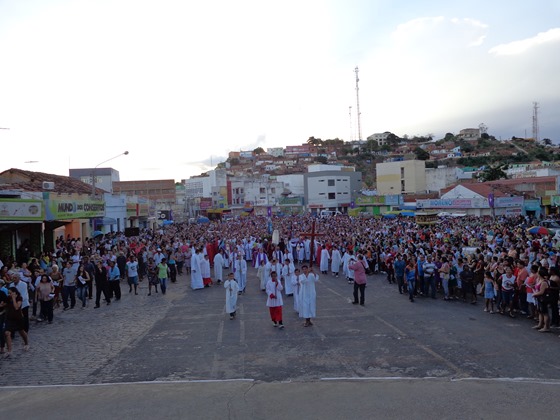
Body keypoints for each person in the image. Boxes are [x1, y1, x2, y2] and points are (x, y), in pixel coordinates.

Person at [4, 287, 29, 358]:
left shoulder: (19, 298)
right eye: (8, 293)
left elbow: (16, 307)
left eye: (10, 292)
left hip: (17, 318)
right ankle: (9, 350)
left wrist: (14, 298)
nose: (9, 294)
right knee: (7, 333)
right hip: (9, 318)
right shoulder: (8, 298)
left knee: (21, 332)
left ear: (14, 292)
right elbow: (4, 304)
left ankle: (26, 343)